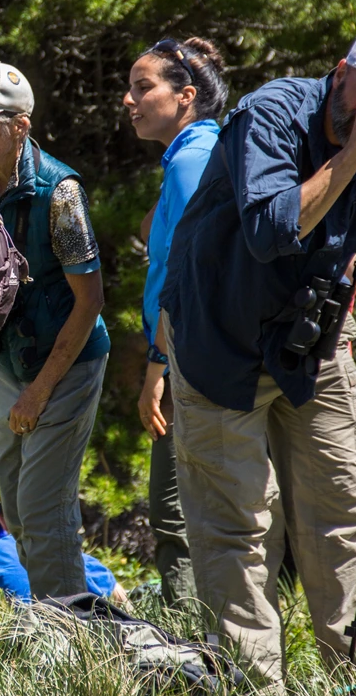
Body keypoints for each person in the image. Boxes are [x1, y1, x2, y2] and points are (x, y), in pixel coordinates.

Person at [160, 26, 356, 687]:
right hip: (217, 342)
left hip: (309, 347)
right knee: (237, 529)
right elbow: (271, 231)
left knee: (342, 513)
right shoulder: (273, 113)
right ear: (342, 72)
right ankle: (255, 683)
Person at [0, 62, 109, 600]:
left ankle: (72, 637)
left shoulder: (61, 194)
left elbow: (90, 301)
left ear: (19, 127)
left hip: (67, 362)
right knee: (14, 503)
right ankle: (57, 615)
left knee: (42, 505)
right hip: (12, 361)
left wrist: (40, 390)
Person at [124, 37, 228, 607]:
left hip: (186, 356)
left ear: (186, 96)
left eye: (143, 88)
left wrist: (157, 365)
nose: (129, 100)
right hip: (193, 352)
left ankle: (196, 646)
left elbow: (186, 276)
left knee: (173, 513)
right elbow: (167, 236)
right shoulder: (194, 154)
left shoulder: (191, 157)